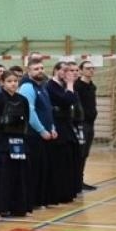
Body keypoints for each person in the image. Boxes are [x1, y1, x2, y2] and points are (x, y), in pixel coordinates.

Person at [0, 67, 34, 216]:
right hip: (3, 143)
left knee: (20, 175)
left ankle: (20, 207)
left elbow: (27, 120)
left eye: (15, 81)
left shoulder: (22, 100)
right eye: (9, 81)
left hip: (20, 142)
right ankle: (3, 207)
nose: (13, 84)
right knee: (5, 176)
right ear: (2, 82)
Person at [19, 53, 58, 208]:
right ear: (28, 71)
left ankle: (42, 199)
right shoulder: (27, 87)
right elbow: (30, 111)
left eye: (41, 68)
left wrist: (53, 127)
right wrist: (42, 130)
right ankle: (33, 201)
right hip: (33, 136)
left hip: (46, 135)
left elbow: (48, 109)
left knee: (44, 169)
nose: (40, 71)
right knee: (34, 169)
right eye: (36, 69)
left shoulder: (42, 86)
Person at [45, 60, 83, 205]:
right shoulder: (51, 86)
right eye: (65, 70)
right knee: (59, 161)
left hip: (67, 124)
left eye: (71, 71)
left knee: (70, 159)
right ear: (56, 70)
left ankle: (69, 191)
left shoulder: (62, 86)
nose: (69, 74)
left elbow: (73, 99)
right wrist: (70, 84)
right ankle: (58, 193)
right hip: (57, 125)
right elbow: (68, 100)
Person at [77, 60, 99, 191]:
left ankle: (81, 180)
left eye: (92, 68)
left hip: (90, 123)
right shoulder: (77, 86)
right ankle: (76, 181)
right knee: (80, 153)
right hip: (81, 123)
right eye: (87, 68)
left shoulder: (92, 86)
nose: (91, 70)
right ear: (81, 70)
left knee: (85, 153)